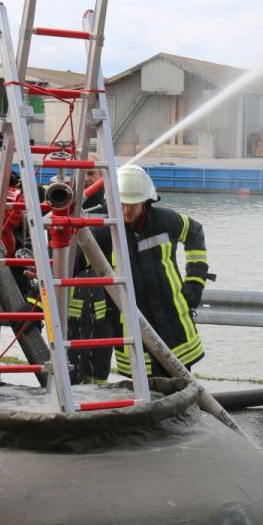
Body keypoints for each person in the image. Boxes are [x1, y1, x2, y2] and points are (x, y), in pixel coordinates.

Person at [88, 164, 211, 375]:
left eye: (133, 204)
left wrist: (195, 282)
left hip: (173, 325)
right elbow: (74, 263)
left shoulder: (165, 221)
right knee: (141, 389)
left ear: (145, 201)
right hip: (132, 329)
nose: (126, 210)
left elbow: (195, 232)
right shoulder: (104, 232)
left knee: (181, 386)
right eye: (122, 204)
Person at [67, 158, 113, 382]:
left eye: (91, 174)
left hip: (105, 303)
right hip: (69, 305)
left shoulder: (112, 209)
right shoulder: (65, 203)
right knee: (69, 368)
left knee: (100, 367)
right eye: (81, 174)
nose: (86, 179)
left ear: (102, 178)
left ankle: (98, 399)